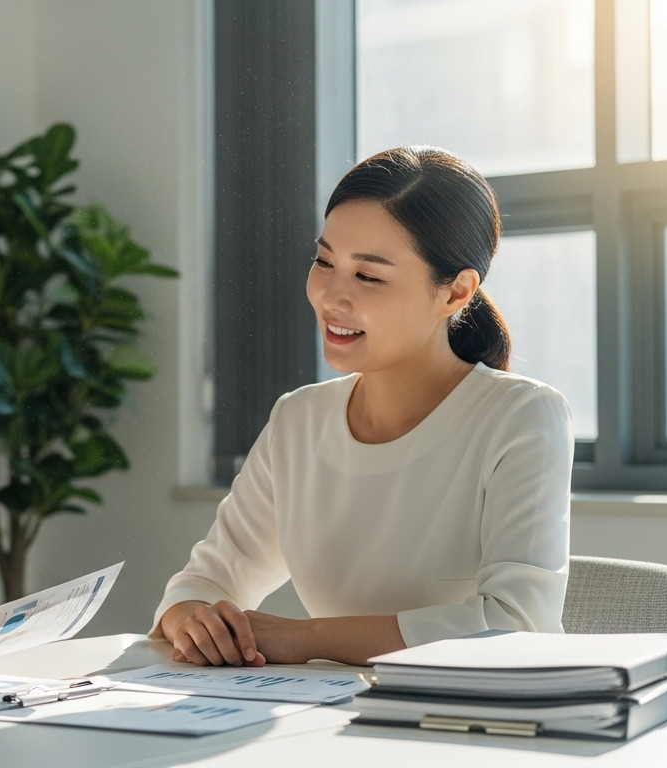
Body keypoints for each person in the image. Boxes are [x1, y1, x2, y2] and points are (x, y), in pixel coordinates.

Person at [154, 146, 573, 667]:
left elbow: (517, 624)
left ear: (456, 293)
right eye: (324, 262)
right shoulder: (298, 420)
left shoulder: (521, 417)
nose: (331, 297)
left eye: (368, 276)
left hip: (470, 728)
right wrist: (191, 618)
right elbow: (207, 580)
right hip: (332, 724)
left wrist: (306, 639)